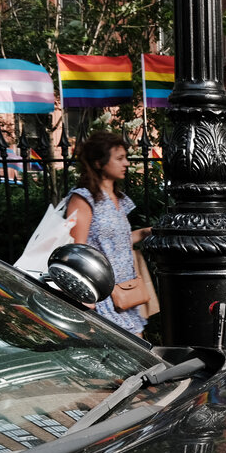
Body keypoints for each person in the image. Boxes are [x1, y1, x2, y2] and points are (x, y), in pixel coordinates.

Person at [68, 130, 153, 337]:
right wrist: (91, 294)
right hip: (101, 295)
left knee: (137, 357)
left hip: (125, 294)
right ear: (99, 163)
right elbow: (75, 251)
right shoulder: (83, 199)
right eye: (120, 158)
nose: (126, 164)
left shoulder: (119, 199)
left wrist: (144, 233)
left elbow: (116, 242)